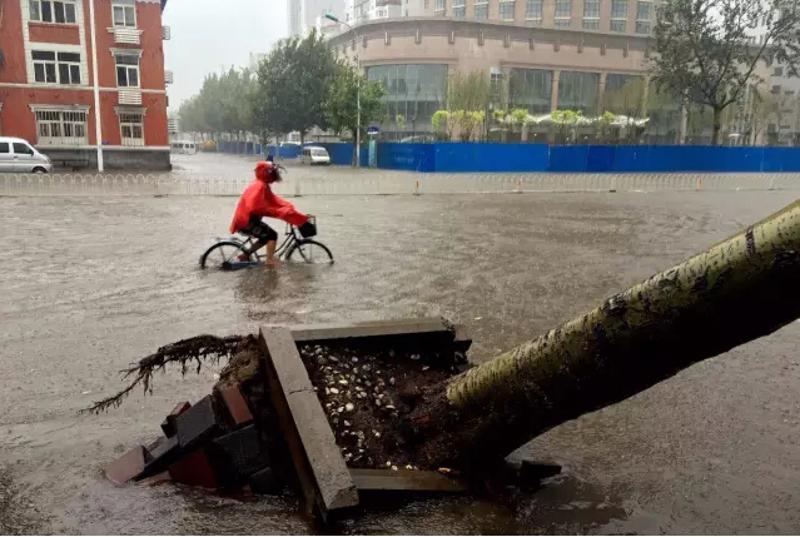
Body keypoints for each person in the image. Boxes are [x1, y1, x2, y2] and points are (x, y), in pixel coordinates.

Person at [230, 160, 316, 267]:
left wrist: (288, 208)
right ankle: (269, 260)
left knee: (265, 236)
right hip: (247, 221)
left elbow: (274, 201)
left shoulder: (262, 185)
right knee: (272, 235)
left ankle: (245, 255)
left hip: (249, 219)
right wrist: (279, 212)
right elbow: (256, 206)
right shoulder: (260, 186)